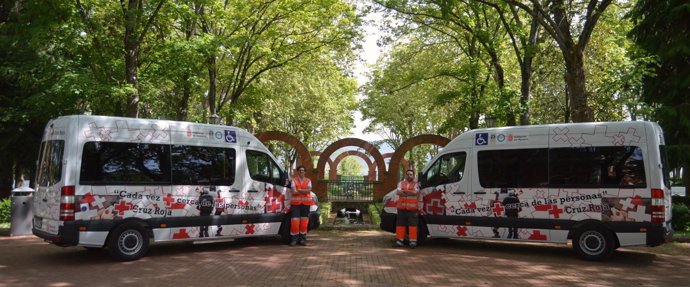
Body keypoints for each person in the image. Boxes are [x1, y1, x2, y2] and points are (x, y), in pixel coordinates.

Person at [395, 169, 420, 248]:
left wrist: (404, 192)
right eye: (408, 174)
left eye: (411, 174)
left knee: (413, 225)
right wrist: (409, 192)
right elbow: (398, 192)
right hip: (401, 208)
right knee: (400, 225)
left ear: (413, 175)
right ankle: (399, 240)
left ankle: (413, 241)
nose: (409, 176)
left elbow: (416, 192)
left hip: (412, 209)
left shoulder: (416, 184)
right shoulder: (401, 183)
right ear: (405, 175)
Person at [289, 165, 314, 246]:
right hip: (295, 204)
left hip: (306, 204)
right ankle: (294, 240)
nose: (301, 172)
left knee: (304, 222)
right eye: (300, 170)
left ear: (305, 172)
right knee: (295, 222)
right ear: (297, 172)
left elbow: (309, 191)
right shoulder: (293, 180)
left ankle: (302, 239)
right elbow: (293, 192)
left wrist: (299, 190)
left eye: (303, 170)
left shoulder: (308, 180)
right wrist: (304, 190)